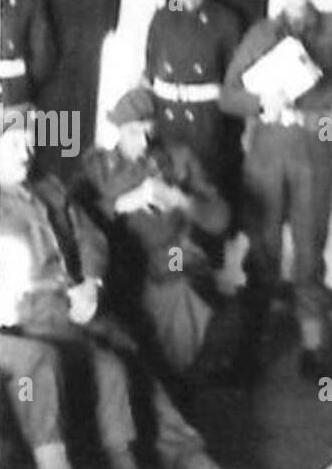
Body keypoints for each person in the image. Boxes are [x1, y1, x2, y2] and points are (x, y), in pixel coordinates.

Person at [0, 123, 225, 469]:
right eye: (12, 144)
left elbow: (89, 236)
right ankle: (177, 465)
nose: (26, 152)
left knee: (129, 353)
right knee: (115, 363)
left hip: (82, 304)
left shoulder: (49, 188)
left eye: (28, 141)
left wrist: (92, 281)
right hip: (33, 317)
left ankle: (177, 467)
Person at [220, 0, 332, 380]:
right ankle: (247, 353)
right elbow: (227, 96)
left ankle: (315, 353)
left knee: (309, 253)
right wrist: (258, 100)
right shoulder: (261, 33)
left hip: (314, 147)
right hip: (267, 149)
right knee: (262, 253)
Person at [78, 87, 233, 380]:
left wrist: (183, 201)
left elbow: (219, 219)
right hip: (121, 259)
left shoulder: (178, 158)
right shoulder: (98, 166)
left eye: (149, 131)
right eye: (134, 132)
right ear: (119, 130)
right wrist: (123, 203)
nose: (144, 140)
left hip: (171, 254)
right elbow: (77, 216)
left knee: (179, 287)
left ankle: (175, 381)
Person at [144, 0, 242, 211]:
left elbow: (234, 83)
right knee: (164, 207)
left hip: (205, 130)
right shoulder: (162, 18)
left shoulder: (226, 22)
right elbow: (151, 72)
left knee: (203, 204)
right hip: (167, 126)